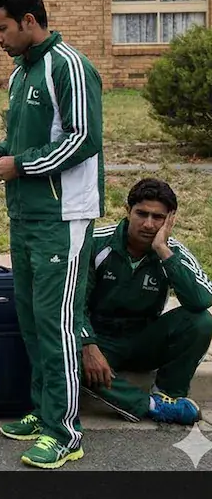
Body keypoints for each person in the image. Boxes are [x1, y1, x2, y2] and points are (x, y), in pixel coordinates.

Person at [0, 0, 104, 470]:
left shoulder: (68, 65)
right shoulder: (20, 73)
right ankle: (44, 410)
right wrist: (0, 153)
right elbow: (20, 138)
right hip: (25, 214)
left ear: (30, 21)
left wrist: (22, 166)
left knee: (57, 325)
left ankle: (65, 432)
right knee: (30, 320)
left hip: (63, 216)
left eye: (2, 28)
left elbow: (84, 139)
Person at [79, 178, 211, 426]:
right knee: (64, 356)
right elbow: (74, 303)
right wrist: (88, 345)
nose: (149, 224)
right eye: (142, 214)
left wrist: (162, 250)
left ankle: (168, 395)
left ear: (170, 220)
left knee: (200, 321)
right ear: (128, 211)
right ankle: (148, 406)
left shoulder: (172, 250)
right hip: (101, 339)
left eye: (158, 217)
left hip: (144, 338)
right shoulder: (96, 242)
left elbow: (201, 299)